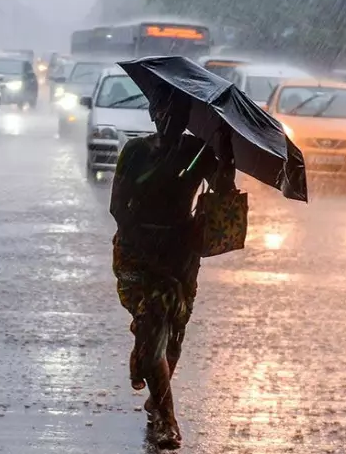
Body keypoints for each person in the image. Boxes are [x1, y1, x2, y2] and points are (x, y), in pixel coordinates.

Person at [109, 97, 235, 449]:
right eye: (162, 111)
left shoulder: (198, 152)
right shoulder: (135, 152)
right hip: (138, 256)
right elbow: (117, 205)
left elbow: (224, 191)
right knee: (153, 329)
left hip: (181, 258)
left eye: (176, 112)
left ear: (187, 117)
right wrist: (145, 240)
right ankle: (166, 419)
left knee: (173, 336)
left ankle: (151, 377)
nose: (168, 118)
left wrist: (225, 152)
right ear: (152, 113)